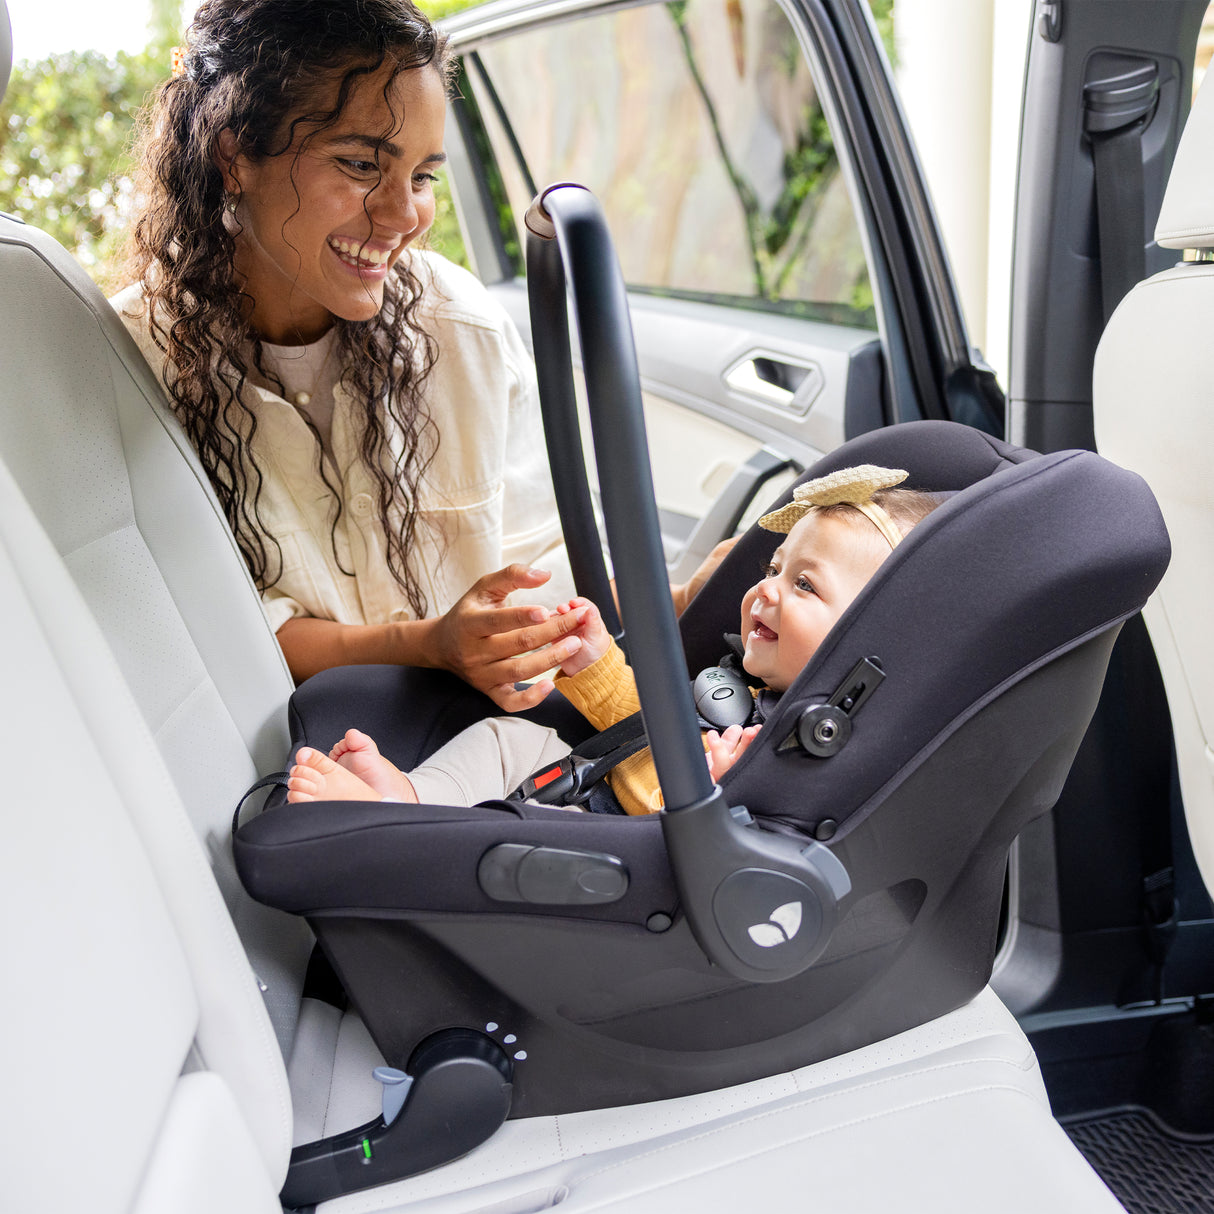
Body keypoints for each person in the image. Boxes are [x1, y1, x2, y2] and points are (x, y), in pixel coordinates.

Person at [111, 0, 717, 713]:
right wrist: (429, 646)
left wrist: (684, 598)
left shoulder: (459, 326)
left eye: (424, 177)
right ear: (235, 157)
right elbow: (220, 630)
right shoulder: (134, 365)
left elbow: (547, 561)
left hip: (509, 737)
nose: (404, 216)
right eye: (361, 163)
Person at [286, 466, 941, 813]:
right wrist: (595, 661)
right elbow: (643, 724)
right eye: (773, 570)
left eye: (804, 585)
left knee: (537, 834)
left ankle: (399, 833)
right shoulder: (740, 683)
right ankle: (409, 799)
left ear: (866, 632)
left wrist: (721, 794)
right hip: (598, 777)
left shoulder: (816, 744)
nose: (765, 590)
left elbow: (768, 842)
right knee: (508, 738)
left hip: (625, 850)